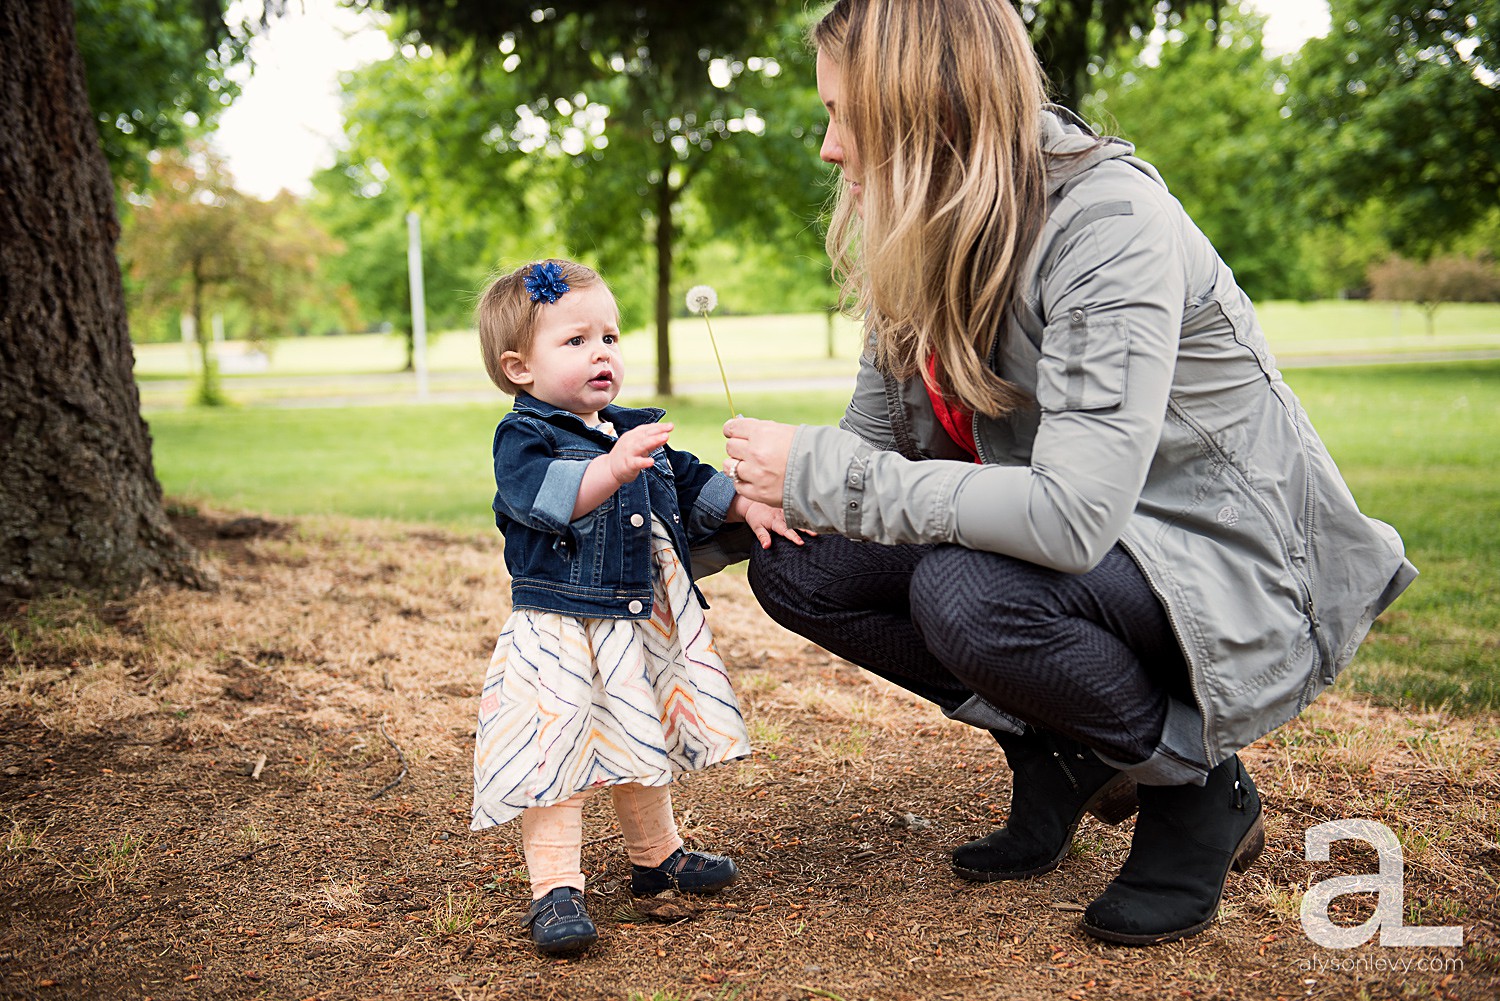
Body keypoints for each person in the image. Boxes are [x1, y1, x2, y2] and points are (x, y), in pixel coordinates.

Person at [721, 0, 1416, 947]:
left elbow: (1073, 516)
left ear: (927, 110)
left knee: (966, 593)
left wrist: (823, 474)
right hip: (1097, 549)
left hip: (1221, 558)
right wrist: (704, 507)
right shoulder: (927, 228)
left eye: (846, 116)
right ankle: (1054, 750)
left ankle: (1198, 786)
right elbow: (868, 453)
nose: (829, 148)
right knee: (805, 567)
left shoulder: (1108, 221)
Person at [470, 258, 803, 957]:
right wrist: (612, 467)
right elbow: (539, 497)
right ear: (518, 367)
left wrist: (744, 501)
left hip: (632, 626)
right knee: (555, 756)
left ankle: (658, 857)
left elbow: (685, 479)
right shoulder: (525, 437)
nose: (602, 352)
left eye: (611, 337)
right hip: (562, 630)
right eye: (575, 340)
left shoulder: (627, 425)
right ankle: (555, 887)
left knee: (637, 737)